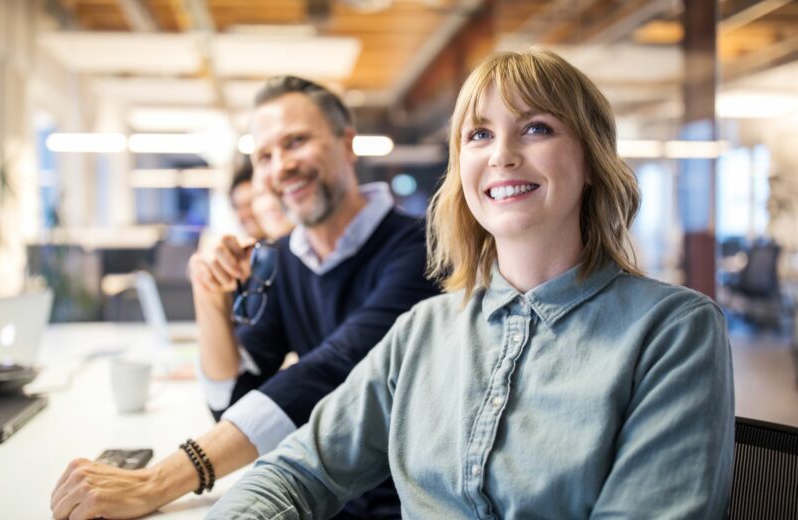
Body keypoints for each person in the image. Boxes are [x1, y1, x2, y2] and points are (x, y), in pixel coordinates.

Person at [206, 48, 735, 519]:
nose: (501, 154)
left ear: (591, 159)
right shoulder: (423, 331)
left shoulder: (673, 330)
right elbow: (300, 472)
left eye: (536, 128)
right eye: (479, 134)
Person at [50, 76, 439, 520]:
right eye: (265, 156)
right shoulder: (285, 259)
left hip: (405, 501)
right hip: (328, 495)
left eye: (296, 142)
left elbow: (331, 373)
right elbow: (234, 402)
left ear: (346, 143)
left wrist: (158, 481)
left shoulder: (421, 247)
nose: (280, 167)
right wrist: (209, 295)